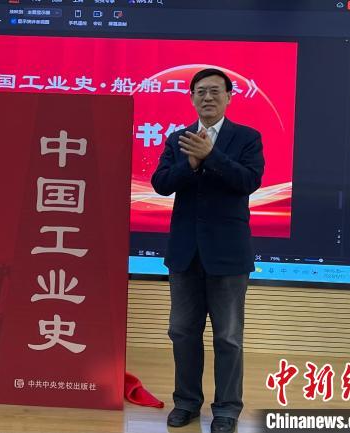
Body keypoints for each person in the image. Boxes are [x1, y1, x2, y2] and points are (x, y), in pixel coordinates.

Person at [151, 68, 264, 433]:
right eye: (200, 91)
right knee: (182, 332)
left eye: (216, 91)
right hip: (185, 254)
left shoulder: (247, 137)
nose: (208, 97)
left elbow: (248, 181)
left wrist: (212, 156)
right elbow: (160, 184)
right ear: (191, 98)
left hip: (228, 255)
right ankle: (186, 403)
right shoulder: (178, 139)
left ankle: (227, 409)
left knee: (228, 336)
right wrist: (190, 163)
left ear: (229, 96)